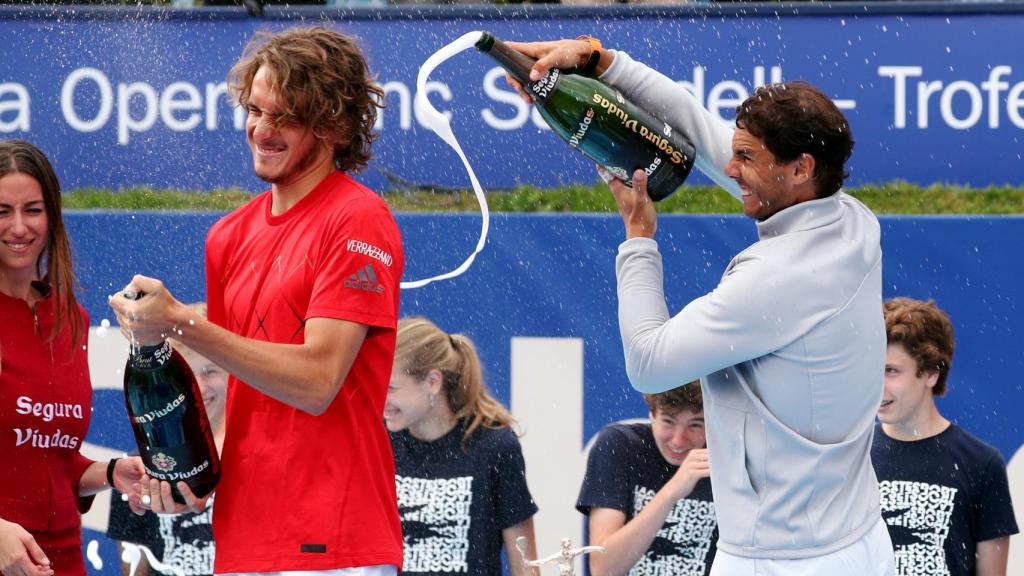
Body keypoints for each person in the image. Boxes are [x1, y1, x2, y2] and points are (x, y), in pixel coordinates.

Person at [505, 38, 893, 574]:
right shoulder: (852, 220)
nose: (729, 170)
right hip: (857, 542)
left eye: (747, 158)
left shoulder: (778, 278)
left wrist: (639, 238)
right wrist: (600, 61)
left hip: (782, 562)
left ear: (801, 168)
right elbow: (699, 128)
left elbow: (648, 361)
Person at [108, 26, 404, 575]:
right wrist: (187, 474)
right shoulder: (227, 236)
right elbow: (244, 382)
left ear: (334, 126)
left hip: (336, 541)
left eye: (284, 116)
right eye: (254, 110)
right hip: (243, 536)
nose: (261, 130)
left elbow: (317, 383)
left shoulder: (359, 219)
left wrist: (179, 322)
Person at [0, 139, 146, 576]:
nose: (19, 227)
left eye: (33, 209)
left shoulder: (70, 319)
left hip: (62, 558)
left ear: (53, 217)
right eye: (2, 211)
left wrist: (111, 472)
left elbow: (51, 459)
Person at [872, 297, 1018, 576]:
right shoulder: (849, 456)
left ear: (930, 374)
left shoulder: (982, 464)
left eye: (891, 371)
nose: (877, 386)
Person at [384, 316, 539, 576]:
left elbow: (525, 564)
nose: (381, 399)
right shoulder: (378, 443)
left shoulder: (495, 448)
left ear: (433, 382)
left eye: (391, 388)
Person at [107, 303, 226, 576]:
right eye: (186, 374)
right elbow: (135, 567)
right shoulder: (137, 471)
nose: (199, 385)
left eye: (210, 371)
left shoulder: (257, 463)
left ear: (235, 374)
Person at [576, 382, 716, 576]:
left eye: (695, 425)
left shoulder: (725, 460)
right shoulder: (619, 445)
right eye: (669, 421)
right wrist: (671, 492)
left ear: (711, 423)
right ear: (652, 415)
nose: (678, 440)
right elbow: (603, 568)